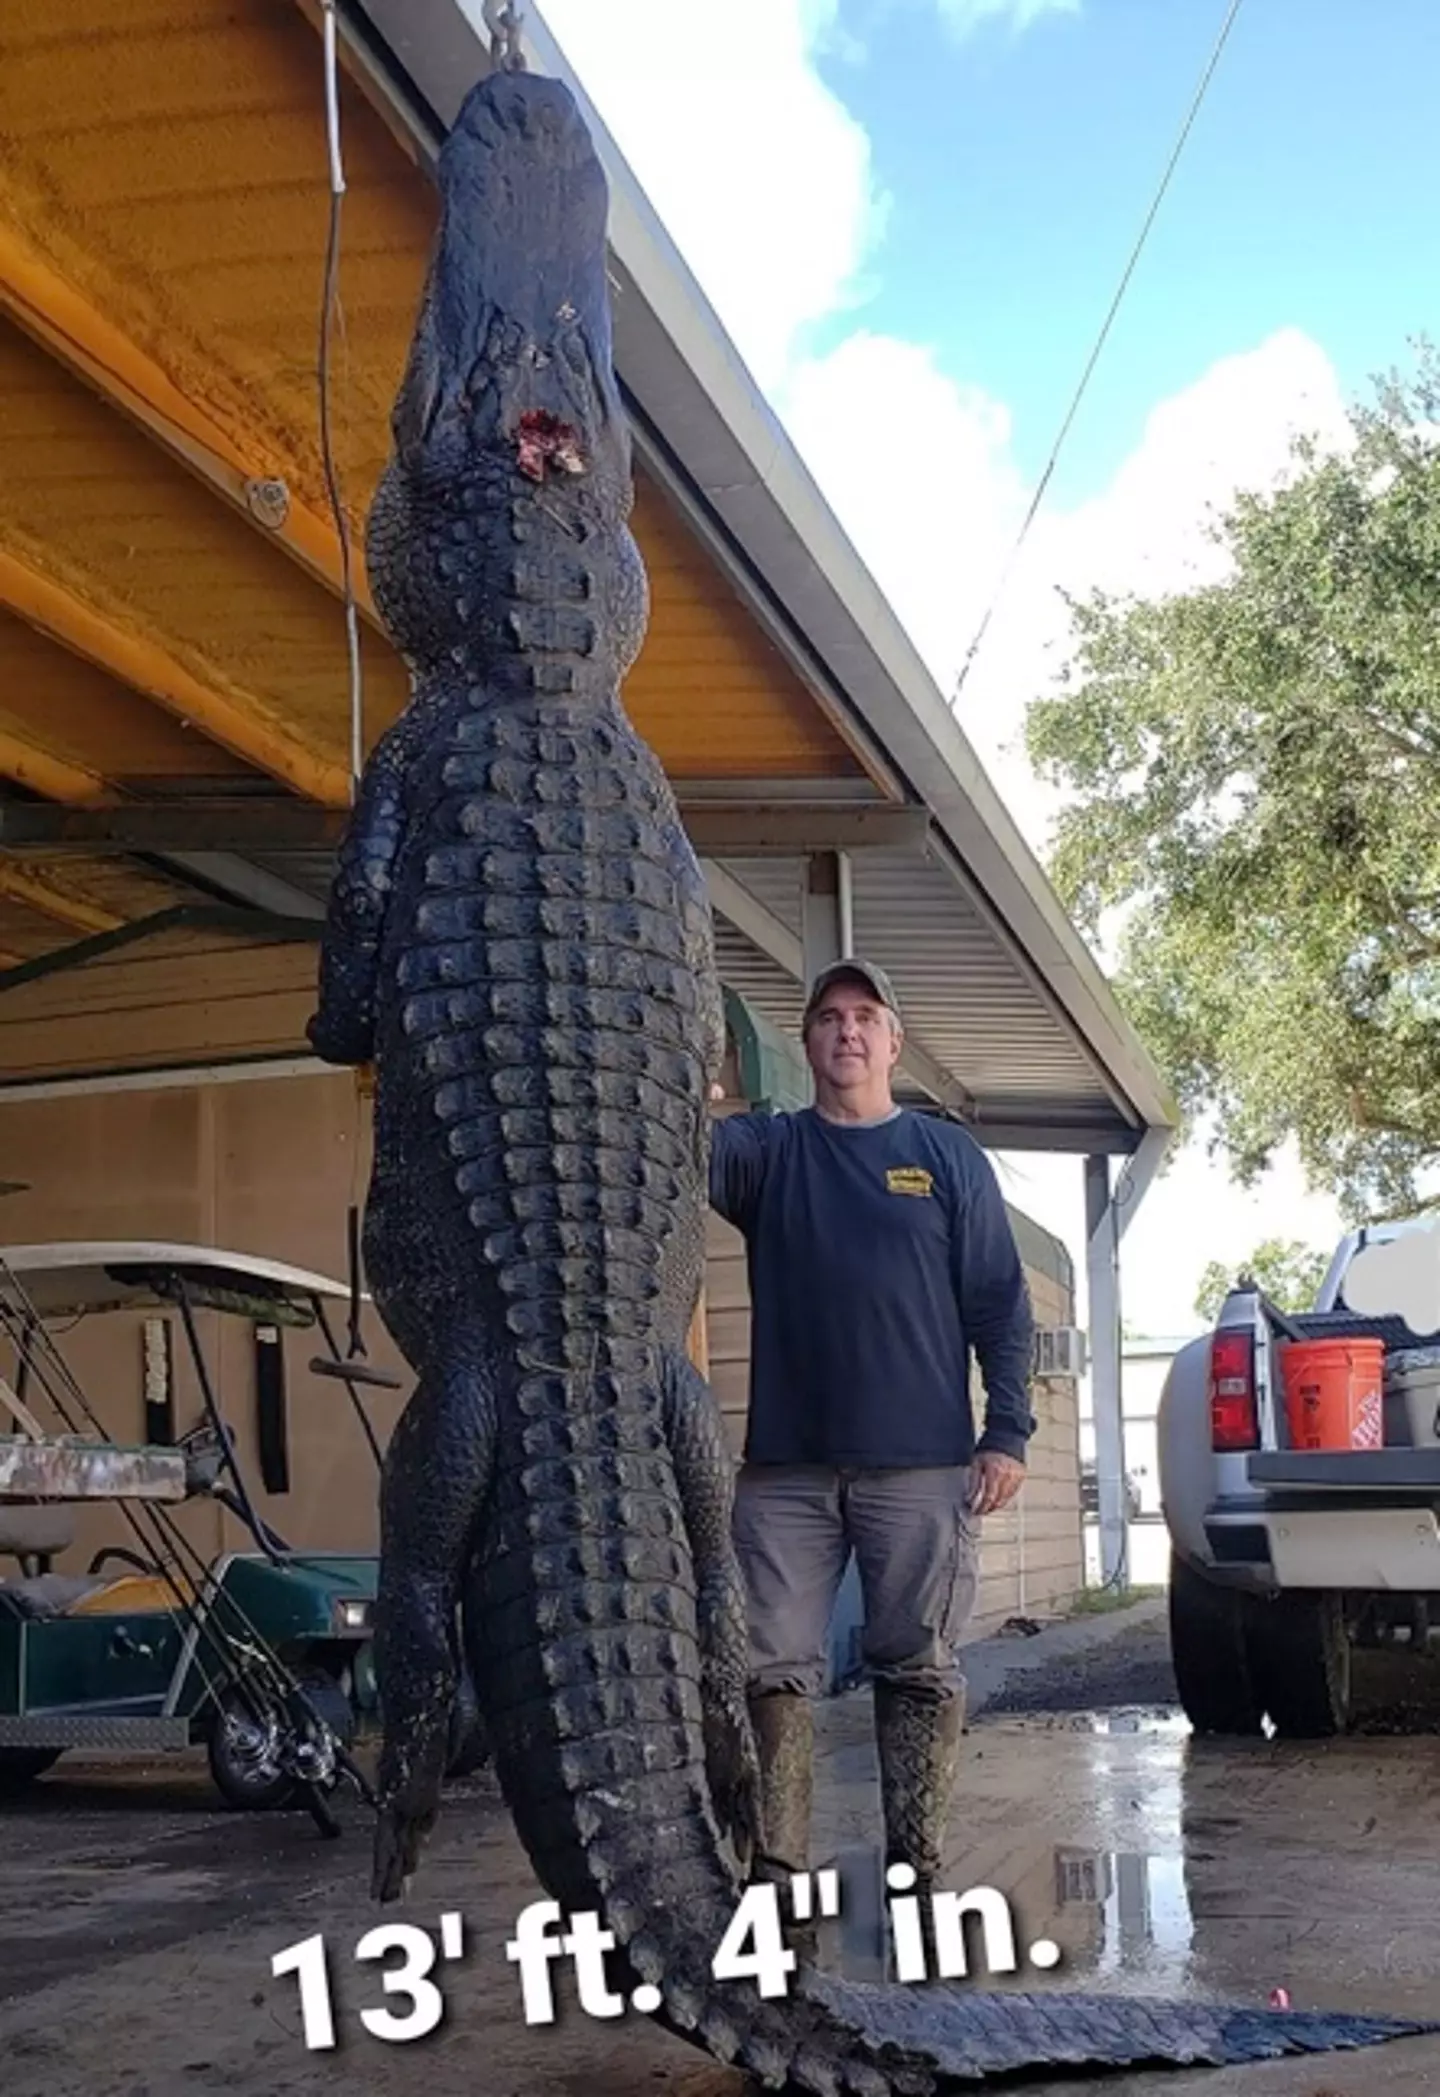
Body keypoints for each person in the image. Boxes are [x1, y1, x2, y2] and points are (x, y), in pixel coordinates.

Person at [708, 958, 1036, 1926]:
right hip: (786, 1473)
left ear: (893, 1042)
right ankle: (775, 1880)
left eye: (865, 1017)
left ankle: (915, 1870)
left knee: (919, 1665)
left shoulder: (944, 1159)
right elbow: (667, 1141)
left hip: (923, 1468)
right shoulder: (764, 1155)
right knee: (767, 1667)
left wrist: (1006, 1430)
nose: (847, 1032)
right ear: (804, 1045)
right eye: (827, 1019)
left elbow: (1000, 1303)